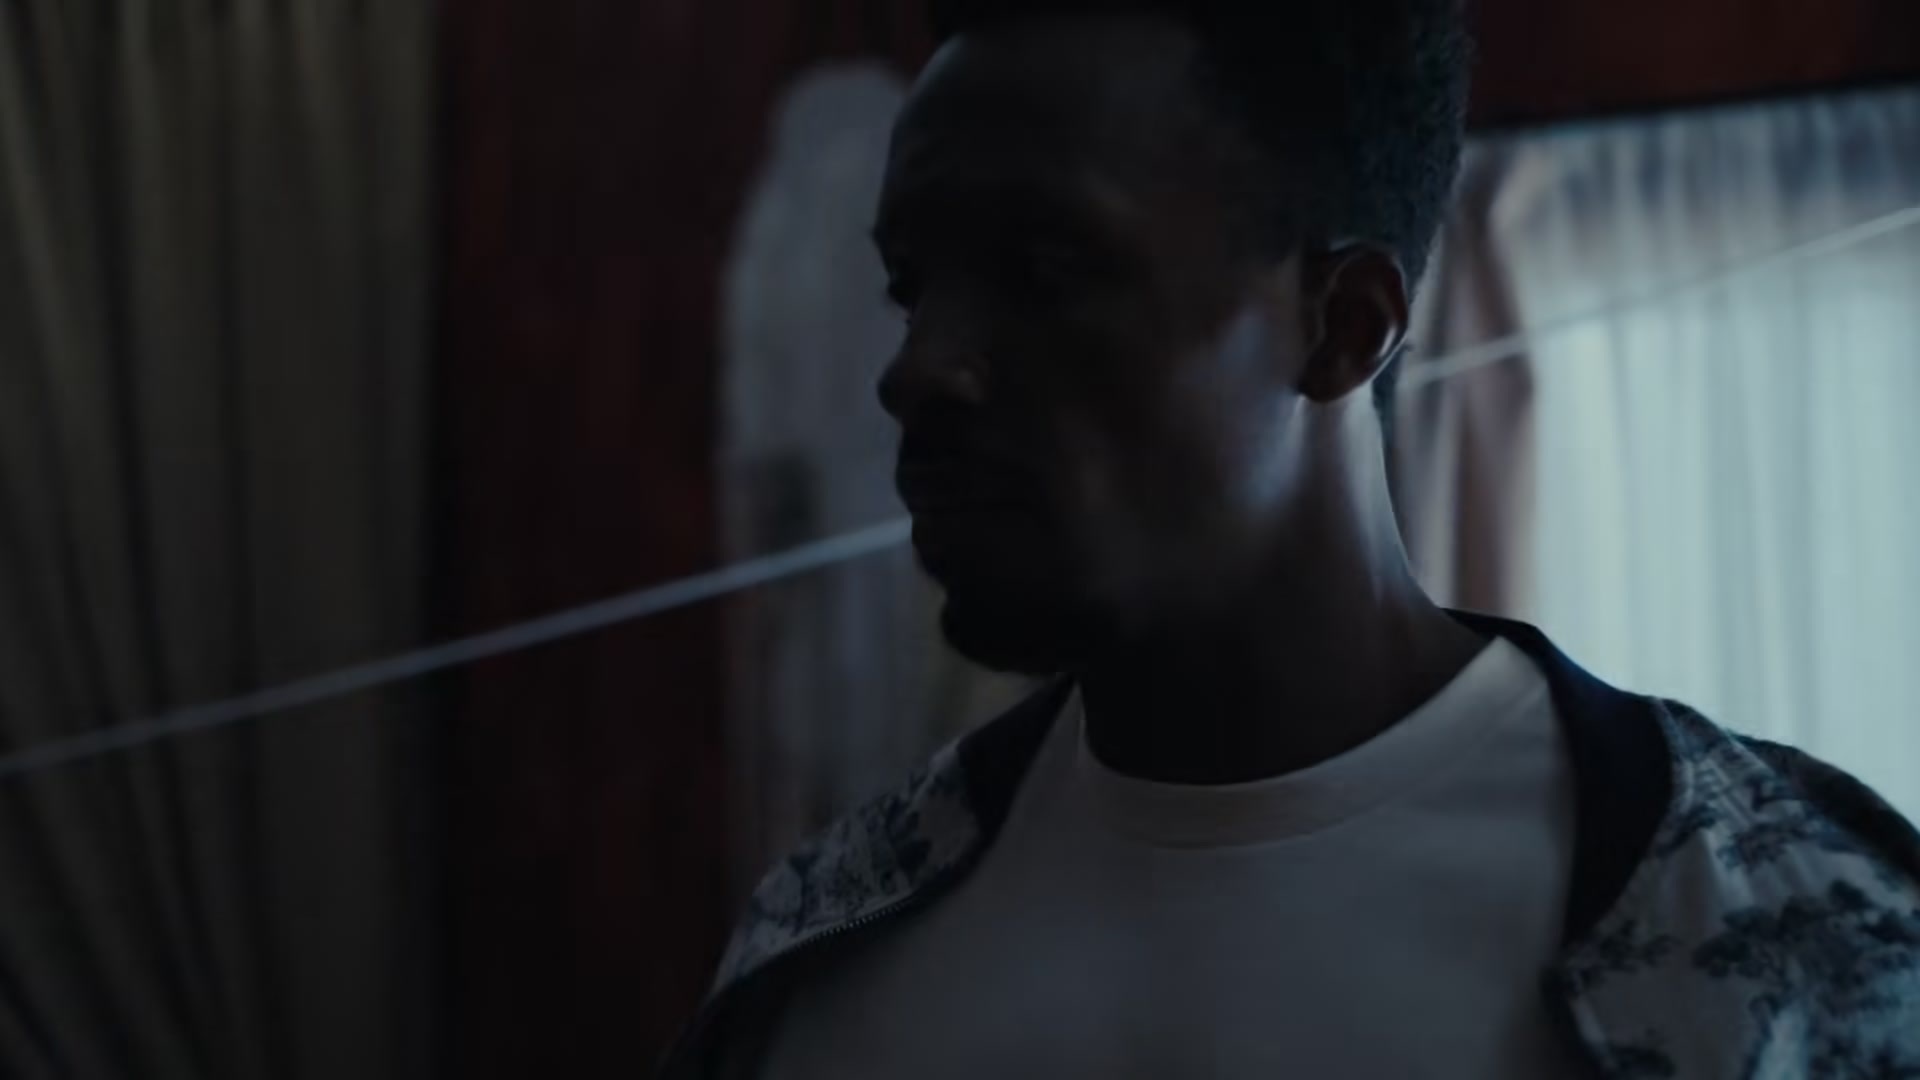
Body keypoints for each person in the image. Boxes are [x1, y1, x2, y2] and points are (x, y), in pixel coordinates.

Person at [663, 2, 1920, 1076]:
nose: (918, 369)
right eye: (912, 288)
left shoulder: (1791, 938)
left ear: (1344, 325)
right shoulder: (822, 952)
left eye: (1046, 270)